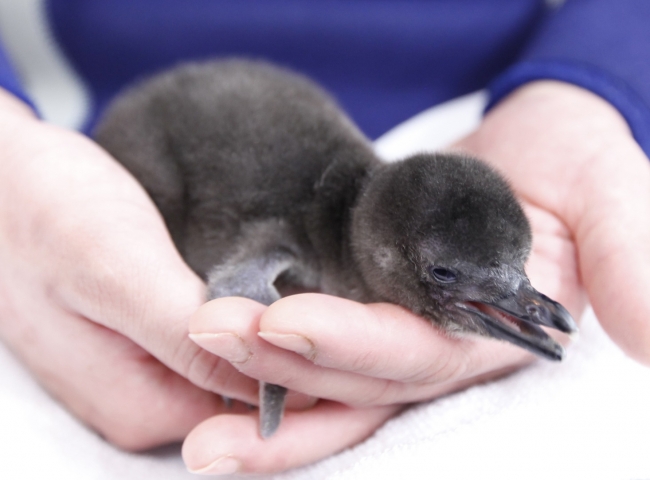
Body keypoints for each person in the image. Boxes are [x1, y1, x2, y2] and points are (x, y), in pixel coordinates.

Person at [0, 0, 648, 475]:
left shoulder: (392, 216)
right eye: (446, 278)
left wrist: (591, 83)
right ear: (385, 258)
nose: (526, 306)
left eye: (513, 273)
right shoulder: (291, 235)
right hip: (81, 174)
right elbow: (240, 273)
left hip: (486, 101)